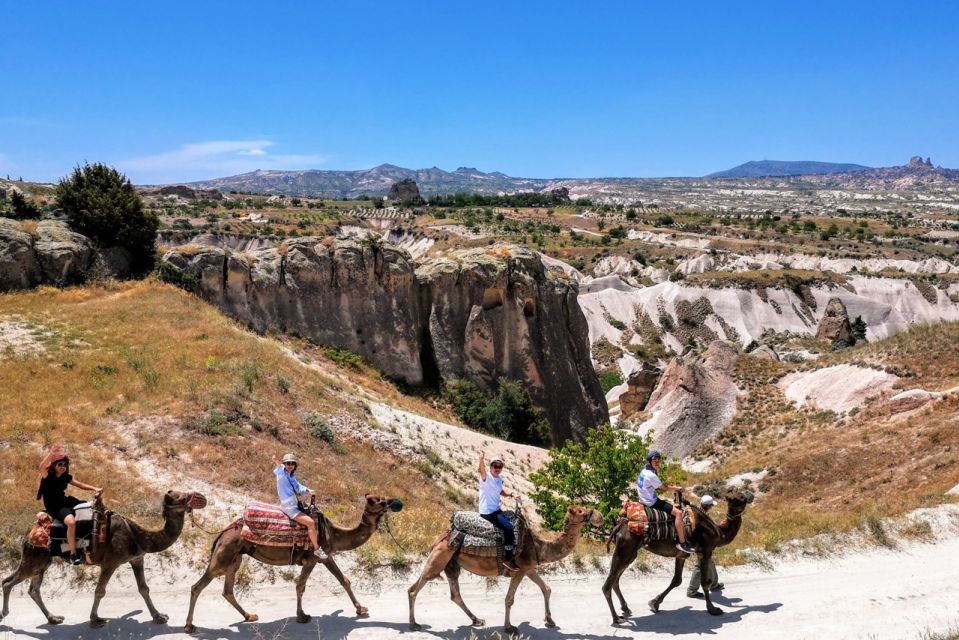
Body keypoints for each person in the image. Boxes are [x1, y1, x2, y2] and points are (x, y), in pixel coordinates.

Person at [36, 447, 101, 565]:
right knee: (71, 523)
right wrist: (51, 454)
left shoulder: (66, 477)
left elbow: (80, 485)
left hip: (65, 501)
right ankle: (73, 554)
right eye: (60, 464)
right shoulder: (48, 476)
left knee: (91, 509)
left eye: (65, 464)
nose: (62, 466)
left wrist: (95, 489)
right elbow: (41, 467)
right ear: (54, 465)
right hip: (55, 507)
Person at [637, 450, 695, 554]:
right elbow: (664, 488)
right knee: (678, 513)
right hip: (651, 502)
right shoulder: (651, 475)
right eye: (654, 459)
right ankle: (682, 542)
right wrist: (676, 488)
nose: (657, 461)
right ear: (650, 461)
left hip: (642, 499)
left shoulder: (644, 470)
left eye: (658, 459)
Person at [273, 453, 326, 560]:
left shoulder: (291, 476)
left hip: (293, 503)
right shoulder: (281, 472)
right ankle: (317, 549)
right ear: (284, 464)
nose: (290, 465)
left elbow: (298, 486)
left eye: (292, 463)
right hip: (289, 507)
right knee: (310, 523)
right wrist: (275, 460)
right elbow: (279, 466)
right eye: (288, 463)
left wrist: (307, 490)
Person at [477, 452, 520, 572]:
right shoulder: (486, 478)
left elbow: (501, 491)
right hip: (488, 511)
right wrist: (481, 460)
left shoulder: (499, 478)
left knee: (515, 520)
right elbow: (482, 471)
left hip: (496, 509)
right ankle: (507, 559)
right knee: (508, 527)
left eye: (499, 466)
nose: (497, 469)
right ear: (490, 467)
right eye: (495, 466)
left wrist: (512, 493)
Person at [687, 494, 723, 598]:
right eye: (711, 505)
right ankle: (692, 591)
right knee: (700, 566)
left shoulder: (699, 512)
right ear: (707, 506)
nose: (712, 507)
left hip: (700, 543)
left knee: (710, 562)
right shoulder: (701, 516)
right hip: (700, 545)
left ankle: (714, 585)